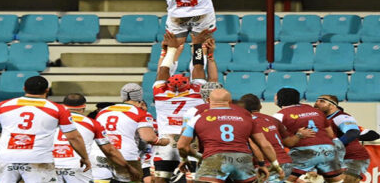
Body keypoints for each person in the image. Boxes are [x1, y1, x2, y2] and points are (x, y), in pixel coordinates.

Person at [0, 76, 91, 183]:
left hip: (6, 158)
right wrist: (84, 157)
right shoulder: (58, 109)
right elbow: (73, 137)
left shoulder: (2, 105)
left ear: (24, 88)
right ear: (47, 90)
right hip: (39, 159)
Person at [178, 89, 283, 183]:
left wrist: (184, 159)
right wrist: (274, 165)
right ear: (230, 102)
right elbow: (264, 144)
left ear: (209, 100)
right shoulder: (246, 117)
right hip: (243, 160)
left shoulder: (198, 118)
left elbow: (182, 145)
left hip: (215, 158)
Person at [153, 31, 209, 182]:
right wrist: (197, 44)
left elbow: (163, 70)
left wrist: (170, 50)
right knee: (194, 179)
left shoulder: (160, 93)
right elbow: (198, 67)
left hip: (166, 140)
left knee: (160, 179)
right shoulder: (197, 93)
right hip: (189, 140)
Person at [54, 93, 141, 183]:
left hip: (51, 165)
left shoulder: (50, 121)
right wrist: (127, 166)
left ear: (63, 106)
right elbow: (109, 150)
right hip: (78, 166)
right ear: (84, 107)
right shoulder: (93, 124)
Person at [94, 83, 169, 183]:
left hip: (100, 153)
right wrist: (163, 141)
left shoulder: (103, 111)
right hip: (125, 156)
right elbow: (148, 138)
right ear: (140, 97)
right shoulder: (141, 113)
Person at [236, 93, 316, 182]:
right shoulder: (273, 120)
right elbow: (289, 143)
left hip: (268, 166)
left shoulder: (244, 123)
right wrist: (299, 135)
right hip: (286, 163)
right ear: (260, 106)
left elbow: (257, 146)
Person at [273, 88, 344, 182]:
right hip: (328, 149)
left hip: (305, 151)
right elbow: (330, 134)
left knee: (282, 179)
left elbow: (272, 138)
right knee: (336, 181)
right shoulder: (315, 111)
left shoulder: (279, 115)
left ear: (279, 99)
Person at [314, 95, 370, 183]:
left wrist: (336, 145)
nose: (317, 103)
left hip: (352, 157)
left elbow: (353, 132)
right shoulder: (320, 120)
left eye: (322, 101)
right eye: (316, 101)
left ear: (332, 106)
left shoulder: (340, 117)